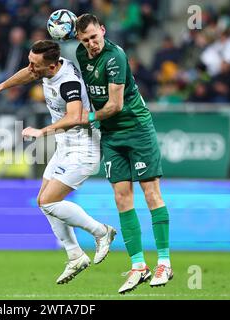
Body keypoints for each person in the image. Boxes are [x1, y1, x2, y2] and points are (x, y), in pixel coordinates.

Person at [0, 40, 117, 284]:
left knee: (48, 201)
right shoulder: (46, 68)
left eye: (35, 64)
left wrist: (42, 131)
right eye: (30, 61)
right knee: (43, 202)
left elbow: (75, 116)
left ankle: (102, 231)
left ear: (53, 67)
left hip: (83, 149)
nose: (30, 68)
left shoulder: (68, 83)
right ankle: (75, 255)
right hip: (65, 145)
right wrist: (1, 86)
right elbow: (27, 73)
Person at [75, 14, 172, 294]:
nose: (92, 44)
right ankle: (139, 266)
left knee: (151, 193)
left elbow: (115, 105)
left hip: (137, 128)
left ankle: (164, 262)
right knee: (121, 197)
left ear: (103, 30)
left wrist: (87, 118)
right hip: (111, 136)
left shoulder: (116, 56)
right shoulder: (82, 56)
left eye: (94, 37)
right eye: (85, 40)